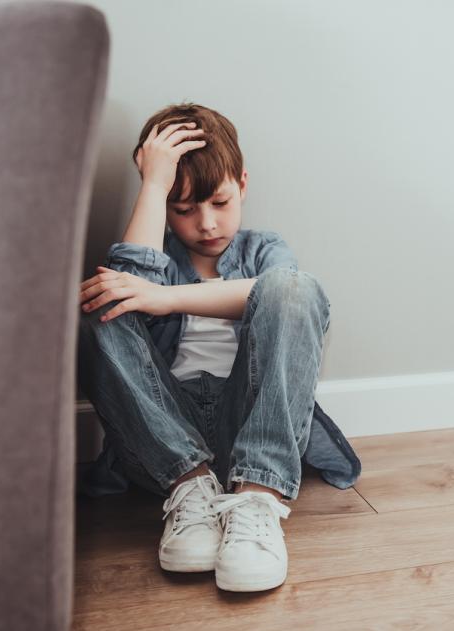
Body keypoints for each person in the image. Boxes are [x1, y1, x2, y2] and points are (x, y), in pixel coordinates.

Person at [76, 102, 339, 593]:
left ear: (242, 184)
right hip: (163, 434)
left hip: (250, 425)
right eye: (184, 209)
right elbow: (127, 292)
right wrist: (153, 184)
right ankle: (190, 491)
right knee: (103, 300)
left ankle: (257, 497)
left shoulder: (263, 249)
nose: (207, 224)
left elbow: (274, 291)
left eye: (219, 202)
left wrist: (164, 297)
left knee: (293, 287)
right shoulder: (160, 255)